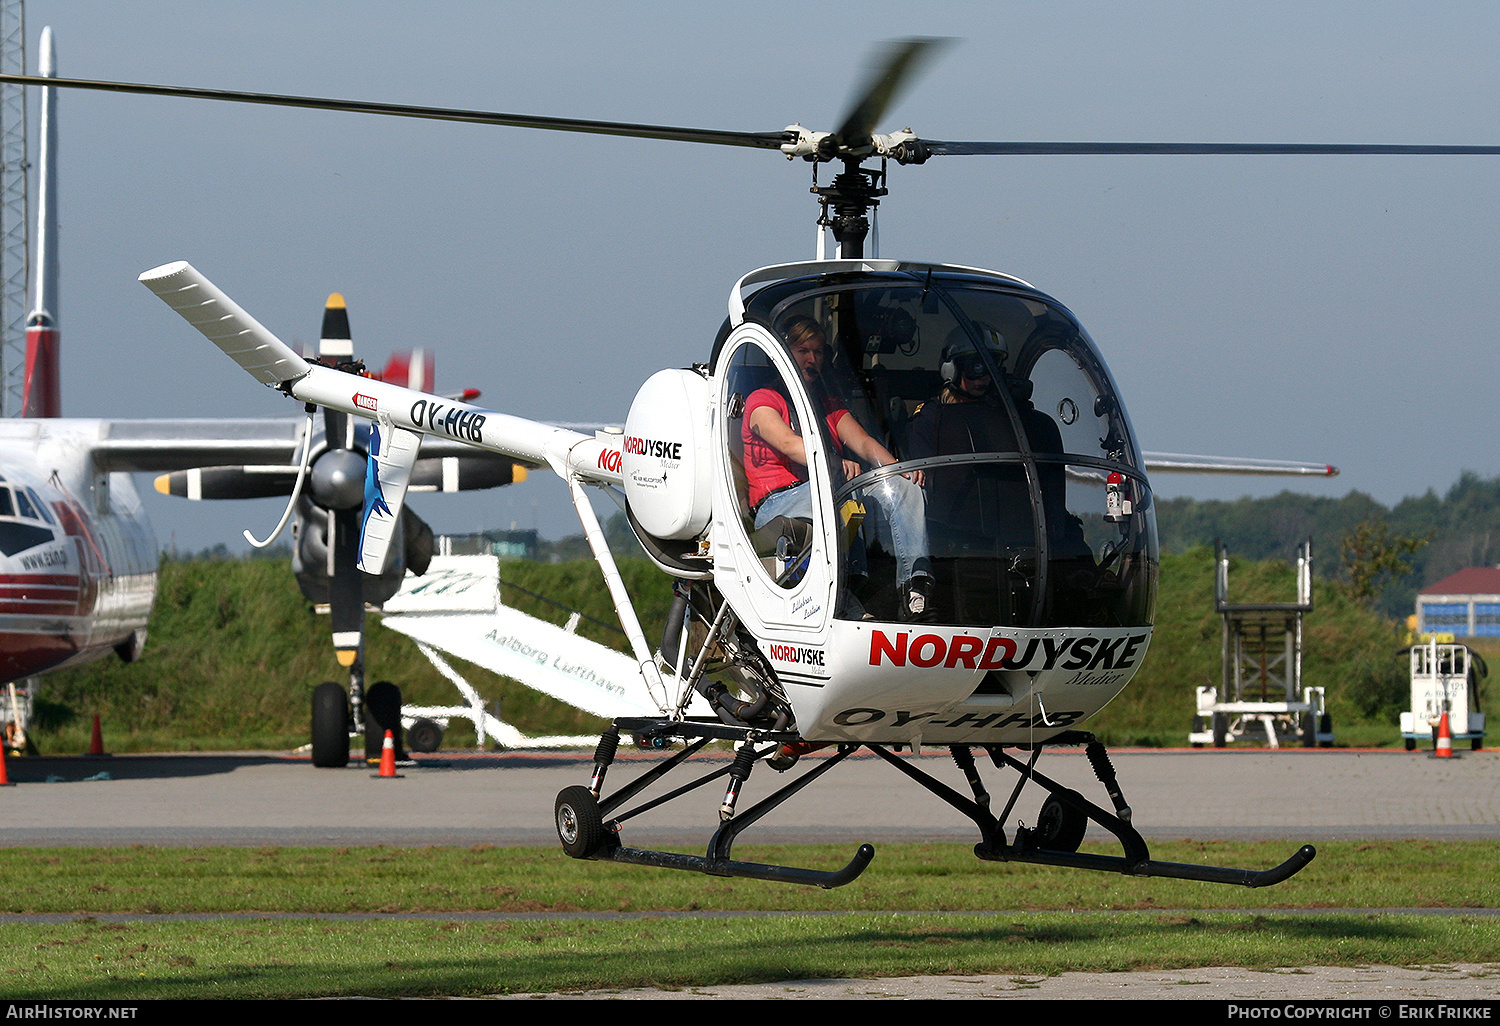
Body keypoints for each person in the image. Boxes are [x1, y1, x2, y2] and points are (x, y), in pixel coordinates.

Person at [742, 315, 933, 620]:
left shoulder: (827, 405)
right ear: (784, 354)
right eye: (804, 351)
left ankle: (914, 585)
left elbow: (865, 444)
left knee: (904, 488)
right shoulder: (763, 400)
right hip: (777, 504)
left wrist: (897, 469)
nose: (812, 359)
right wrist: (831, 462)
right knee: (841, 492)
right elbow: (791, 444)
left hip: (828, 491)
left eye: (818, 352)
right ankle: (845, 588)